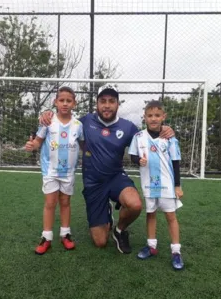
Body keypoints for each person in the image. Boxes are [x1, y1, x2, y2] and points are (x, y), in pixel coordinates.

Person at [40, 84, 174, 254]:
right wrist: (47, 114)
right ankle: (106, 212)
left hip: (116, 177)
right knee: (100, 241)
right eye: (103, 101)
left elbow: (147, 137)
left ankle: (119, 231)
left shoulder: (128, 127)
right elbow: (63, 120)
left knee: (134, 205)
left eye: (112, 101)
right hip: (94, 183)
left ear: (118, 104)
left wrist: (163, 128)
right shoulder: (84, 122)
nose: (107, 105)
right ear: (96, 103)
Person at [25, 86, 84, 255]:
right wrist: (32, 145)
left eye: (69, 100)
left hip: (68, 173)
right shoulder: (48, 122)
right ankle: (46, 237)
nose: (65, 104)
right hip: (50, 171)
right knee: (50, 203)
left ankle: (65, 234)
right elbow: (37, 141)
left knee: (65, 203)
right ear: (55, 102)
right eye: (61, 100)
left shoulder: (78, 125)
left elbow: (83, 145)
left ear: (74, 103)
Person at [128, 99, 184, 270]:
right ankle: (151, 247)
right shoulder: (138, 137)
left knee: (170, 217)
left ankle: (176, 251)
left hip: (167, 185)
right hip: (149, 184)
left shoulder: (170, 138)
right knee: (150, 214)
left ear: (163, 117)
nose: (153, 118)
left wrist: (177, 185)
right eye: (150, 115)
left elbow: (175, 162)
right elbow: (132, 157)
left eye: (157, 115)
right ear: (144, 117)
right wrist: (139, 160)